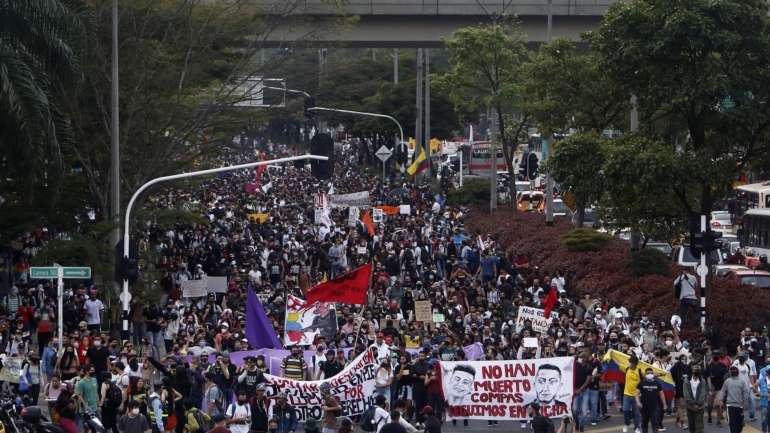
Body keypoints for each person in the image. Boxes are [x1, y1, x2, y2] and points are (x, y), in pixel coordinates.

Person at [723, 366, 752, 433]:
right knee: (732, 423)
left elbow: (745, 392)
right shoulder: (727, 381)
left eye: (734, 371)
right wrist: (721, 400)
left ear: (738, 373)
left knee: (739, 424)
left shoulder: (741, 382)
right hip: (730, 405)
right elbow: (723, 391)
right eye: (732, 371)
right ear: (730, 373)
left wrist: (745, 401)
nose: (733, 372)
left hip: (739, 405)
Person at [636, 368, 665, 433]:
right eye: (648, 373)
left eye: (651, 373)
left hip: (654, 407)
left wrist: (665, 404)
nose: (650, 374)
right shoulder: (641, 383)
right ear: (645, 374)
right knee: (644, 424)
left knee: (655, 424)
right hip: (644, 407)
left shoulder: (657, 383)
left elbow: (661, 394)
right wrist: (638, 402)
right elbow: (637, 394)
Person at [683, 365, 707, 433]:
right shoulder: (687, 380)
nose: (696, 372)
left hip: (700, 406)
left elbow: (703, 393)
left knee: (699, 425)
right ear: (692, 371)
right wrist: (692, 403)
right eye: (694, 371)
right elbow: (686, 393)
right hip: (690, 406)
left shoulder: (702, 381)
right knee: (691, 424)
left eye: (697, 371)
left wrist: (698, 404)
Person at [622, 356, 643, 433]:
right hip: (626, 394)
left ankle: (636, 427)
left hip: (636, 396)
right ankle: (627, 424)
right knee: (625, 410)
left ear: (634, 363)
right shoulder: (627, 368)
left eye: (630, 362)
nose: (629, 363)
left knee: (636, 413)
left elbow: (643, 382)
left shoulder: (639, 371)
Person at [706, 354, 728, 426]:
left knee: (718, 405)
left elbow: (725, 376)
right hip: (711, 388)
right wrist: (710, 387)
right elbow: (708, 377)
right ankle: (709, 417)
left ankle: (718, 420)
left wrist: (724, 388)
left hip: (720, 388)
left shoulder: (723, 366)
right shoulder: (709, 366)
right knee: (710, 405)